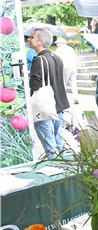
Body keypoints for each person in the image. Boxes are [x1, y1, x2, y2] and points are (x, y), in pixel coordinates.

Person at [28, 29, 70, 158]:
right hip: (59, 104)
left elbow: (35, 84)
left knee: (50, 146)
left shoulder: (39, 59)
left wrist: (29, 77)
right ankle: (65, 170)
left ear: (40, 42)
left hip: (45, 107)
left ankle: (55, 170)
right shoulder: (56, 57)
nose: (29, 39)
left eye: (32, 37)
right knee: (59, 143)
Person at [54, 37, 79, 105]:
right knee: (73, 83)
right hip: (73, 67)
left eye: (57, 43)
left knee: (63, 84)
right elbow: (75, 58)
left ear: (61, 43)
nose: (56, 44)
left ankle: (62, 99)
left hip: (65, 68)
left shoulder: (59, 49)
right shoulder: (70, 48)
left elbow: (57, 59)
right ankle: (76, 98)